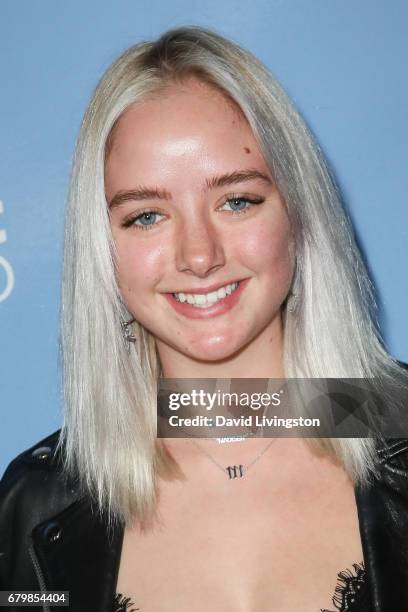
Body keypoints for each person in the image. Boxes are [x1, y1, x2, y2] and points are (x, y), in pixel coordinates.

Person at [0, 25, 407, 612]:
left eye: (236, 200)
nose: (199, 256)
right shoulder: (36, 505)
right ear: (101, 248)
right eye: (146, 216)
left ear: (298, 211)